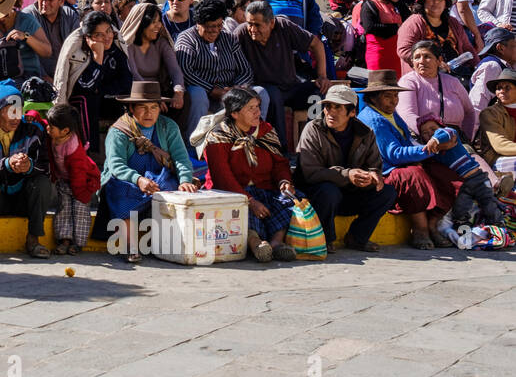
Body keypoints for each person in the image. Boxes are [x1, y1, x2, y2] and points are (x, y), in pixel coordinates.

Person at [359, 70, 500, 248]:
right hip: (383, 171)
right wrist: (431, 150)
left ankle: (434, 224)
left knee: (446, 175)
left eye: (396, 96)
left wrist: (434, 148)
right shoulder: (374, 120)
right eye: (388, 96)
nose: (394, 101)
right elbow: (393, 154)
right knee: (414, 176)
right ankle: (420, 229)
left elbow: (409, 141)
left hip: (404, 163)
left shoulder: (391, 114)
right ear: (373, 97)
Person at [100, 81, 198, 263]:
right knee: (121, 192)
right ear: (131, 108)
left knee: (172, 188)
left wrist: (185, 180)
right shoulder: (119, 132)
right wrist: (138, 180)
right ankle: (129, 245)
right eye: (143, 107)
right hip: (127, 181)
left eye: (154, 107)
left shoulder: (168, 127)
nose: (149, 113)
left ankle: (168, 243)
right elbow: (116, 166)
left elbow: (181, 159)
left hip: (159, 179)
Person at [296, 84, 397, 253]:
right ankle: (325, 239)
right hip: (317, 196)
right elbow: (310, 173)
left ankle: (357, 238)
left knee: (387, 193)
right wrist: (347, 174)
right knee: (328, 191)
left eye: (337, 107)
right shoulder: (313, 129)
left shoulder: (366, 132)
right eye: (328, 106)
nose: (330, 112)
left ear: (352, 112)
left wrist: (372, 177)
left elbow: (374, 165)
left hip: (349, 194)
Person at [203, 87, 298, 262]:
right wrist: (250, 201)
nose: (257, 112)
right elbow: (222, 177)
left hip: (265, 188)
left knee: (291, 200)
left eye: (257, 106)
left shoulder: (266, 130)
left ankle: (276, 243)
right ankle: (256, 244)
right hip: (232, 191)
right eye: (250, 108)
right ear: (235, 114)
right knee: (240, 210)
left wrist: (284, 181)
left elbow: (279, 163)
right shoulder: (218, 137)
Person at [0, 80, 54, 265]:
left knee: (42, 182)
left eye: (19, 110)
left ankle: (33, 240)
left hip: (24, 196)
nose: (16, 117)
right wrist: (6, 163)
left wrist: (29, 166)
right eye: (10, 111)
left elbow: (46, 166)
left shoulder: (33, 129)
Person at [239, 0, 329, 152]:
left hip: (291, 87)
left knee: (318, 94)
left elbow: (316, 45)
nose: (252, 29)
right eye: (250, 24)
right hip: (264, 90)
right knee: (273, 95)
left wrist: (322, 76)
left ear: (271, 23)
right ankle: (281, 150)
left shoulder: (284, 27)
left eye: (258, 25)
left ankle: (315, 146)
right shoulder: (241, 33)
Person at [174, 0, 259, 137]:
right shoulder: (186, 39)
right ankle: (193, 145)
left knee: (260, 92)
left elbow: (245, 70)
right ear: (198, 24)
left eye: (219, 25)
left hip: (230, 92)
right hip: (204, 93)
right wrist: (213, 90)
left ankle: (252, 141)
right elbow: (186, 72)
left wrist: (236, 89)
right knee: (197, 94)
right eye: (210, 26)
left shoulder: (229, 39)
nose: (214, 31)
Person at [54, 10, 133, 151]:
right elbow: (85, 87)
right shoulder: (78, 50)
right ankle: (89, 150)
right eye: (99, 35)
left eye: (108, 31)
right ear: (88, 38)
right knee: (87, 98)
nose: (107, 37)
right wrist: (98, 56)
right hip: (83, 102)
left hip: (109, 97)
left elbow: (126, 81)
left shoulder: (116, 47)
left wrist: (101, 90)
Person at [42, 103, 100, 255]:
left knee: (80, 211)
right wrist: (34, 115)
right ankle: (64, 240)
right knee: (63, 209)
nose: (47, 128)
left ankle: (77, 243)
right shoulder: (55, 135)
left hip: (82, 184)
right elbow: (40, 122)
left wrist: (81, 194)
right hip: (65, 182)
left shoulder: (73, 148)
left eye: (51, 127)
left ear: (65, 131)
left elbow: (79, 174)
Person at [120, 0, 186, 125]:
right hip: (135, 92)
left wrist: (178, 92)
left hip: (159, 91)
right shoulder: (128, 45)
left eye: (159, 22)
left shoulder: (161, 43)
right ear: (141, 23)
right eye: (153, 22)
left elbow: (175, 71)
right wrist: (154, 99)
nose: (158, 26)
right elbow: (134, 75)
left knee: (185, 100)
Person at [396, 0, 475, 72]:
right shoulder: (413, 23)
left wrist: (478, 66)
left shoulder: (453, 22)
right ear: (424, 1)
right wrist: (431, 63)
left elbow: (467, 47)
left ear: (445, 3)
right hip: (423, 77)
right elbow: (404, 50)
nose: (436, 2)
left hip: (455, 74)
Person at [27, 0, 80, 77]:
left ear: (61, 1)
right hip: (37, 77)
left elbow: (77, 47)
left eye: (50, 0)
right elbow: (29, 55)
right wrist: (45, 78)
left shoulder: (70, 15)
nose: (44, 3)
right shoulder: (29, 16)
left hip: (67, 74)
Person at [360, 0, 408, 75]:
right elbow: (370, 27)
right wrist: (396, 27)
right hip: (379, 54)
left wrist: (397, 1)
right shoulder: (368, 4)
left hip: (397, 53)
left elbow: (409, 19)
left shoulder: (394, 3)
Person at [476, 68, 516, 179]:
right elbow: (500, 145)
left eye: (507, 87)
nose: (502, 91)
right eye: (499, 88)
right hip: (497, 159)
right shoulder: (489, 113)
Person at [470, 27, 516, 110]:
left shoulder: (510, 65)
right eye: (514, 46)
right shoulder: (492, 67)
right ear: (500, 48)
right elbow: (477, 104)